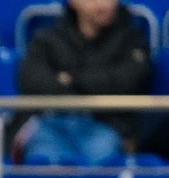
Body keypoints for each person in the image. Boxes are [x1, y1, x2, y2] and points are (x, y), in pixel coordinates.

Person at [15, 0, 153, 164]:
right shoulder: (46, 39)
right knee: (43, 160)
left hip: (106, 126)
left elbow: (127, 81)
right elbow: (32, 82)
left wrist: (70, 78)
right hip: (52, 123)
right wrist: (94, 86)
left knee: (102, 158)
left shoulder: (132, 40)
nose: (103, 4)